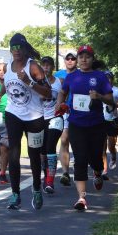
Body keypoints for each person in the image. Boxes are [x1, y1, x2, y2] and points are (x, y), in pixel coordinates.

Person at [0, 33, 51, 210]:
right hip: (13, 114)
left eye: (20, 47)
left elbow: (48, 93)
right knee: (13, 153)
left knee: (34, 156)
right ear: (10, 50)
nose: (16, 51)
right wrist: (1, 93)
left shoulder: (33, 67)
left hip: (34, 117)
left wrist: (29, 82)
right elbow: (8, 82)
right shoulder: (8, 67)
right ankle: (15, 194)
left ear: (25, 49)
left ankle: (36, 189)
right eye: (13, 47)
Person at [56, 45, 114, 211]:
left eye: (87, 56)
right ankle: (82, 198)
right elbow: (63, 92)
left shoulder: (100, 77)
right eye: (80, 56)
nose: (83, 59)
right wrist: (60, 102)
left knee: (95, 157)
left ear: (92, 59)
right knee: (80, 159)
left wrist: (99, 96)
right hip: (76, 124)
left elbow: (110, 100)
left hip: (96, 124)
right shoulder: (71, 77)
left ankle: (97, 171)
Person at [54, 52, 78, 186]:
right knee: (64, 139)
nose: (70, 60)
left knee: (76, 140)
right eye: (67, 58)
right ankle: (65, 172)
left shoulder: (81, 75)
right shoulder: (57, 75)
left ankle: (78, 163)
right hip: (62, 111)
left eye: (73, 58)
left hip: (77, 111)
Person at [40, 56, 64, 194]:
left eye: (48, 65)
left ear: (53, 67)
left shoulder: (60, 82)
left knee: (50, 146)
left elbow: (66, 94)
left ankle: (50, 181)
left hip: (56, 117)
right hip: (39, 118)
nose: (46, 67)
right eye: (43, 65)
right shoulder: (36, 82)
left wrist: (62, 104)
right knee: (41, 151)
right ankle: (46, 173)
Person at [102, 71, 118, 180]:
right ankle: (104, 170)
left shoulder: (117, 91)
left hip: (112, 120)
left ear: (112, 79)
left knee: (110, 145)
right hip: (100, 120)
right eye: (106, 78)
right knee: (102, 147)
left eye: (110, 78)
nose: (108, 80)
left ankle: (113, 155)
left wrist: (114, 104)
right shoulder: (99, 90)